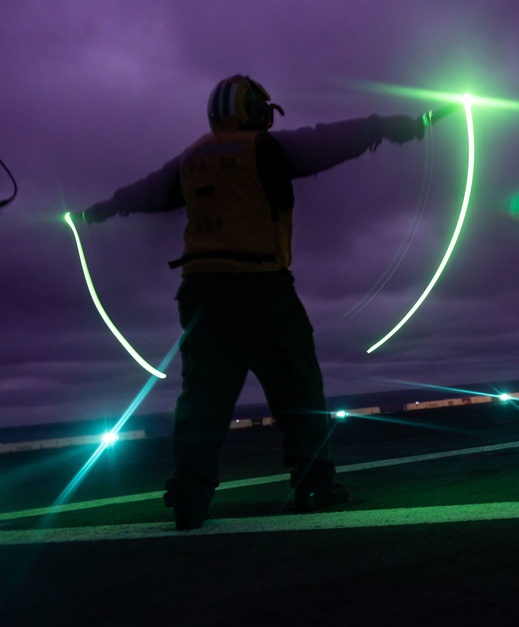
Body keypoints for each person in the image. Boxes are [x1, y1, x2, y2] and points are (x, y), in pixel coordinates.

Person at [82, 75, 426, 530]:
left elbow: (147, 191)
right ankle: (313, 483)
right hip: (260, 285)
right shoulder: (263, 150)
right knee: (297, 384)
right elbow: (329, 141)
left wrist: (104, 207)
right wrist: (387, 126)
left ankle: (189, 497)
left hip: (200, 293)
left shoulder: (191, 160)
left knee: (202, 398)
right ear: (256, 111)